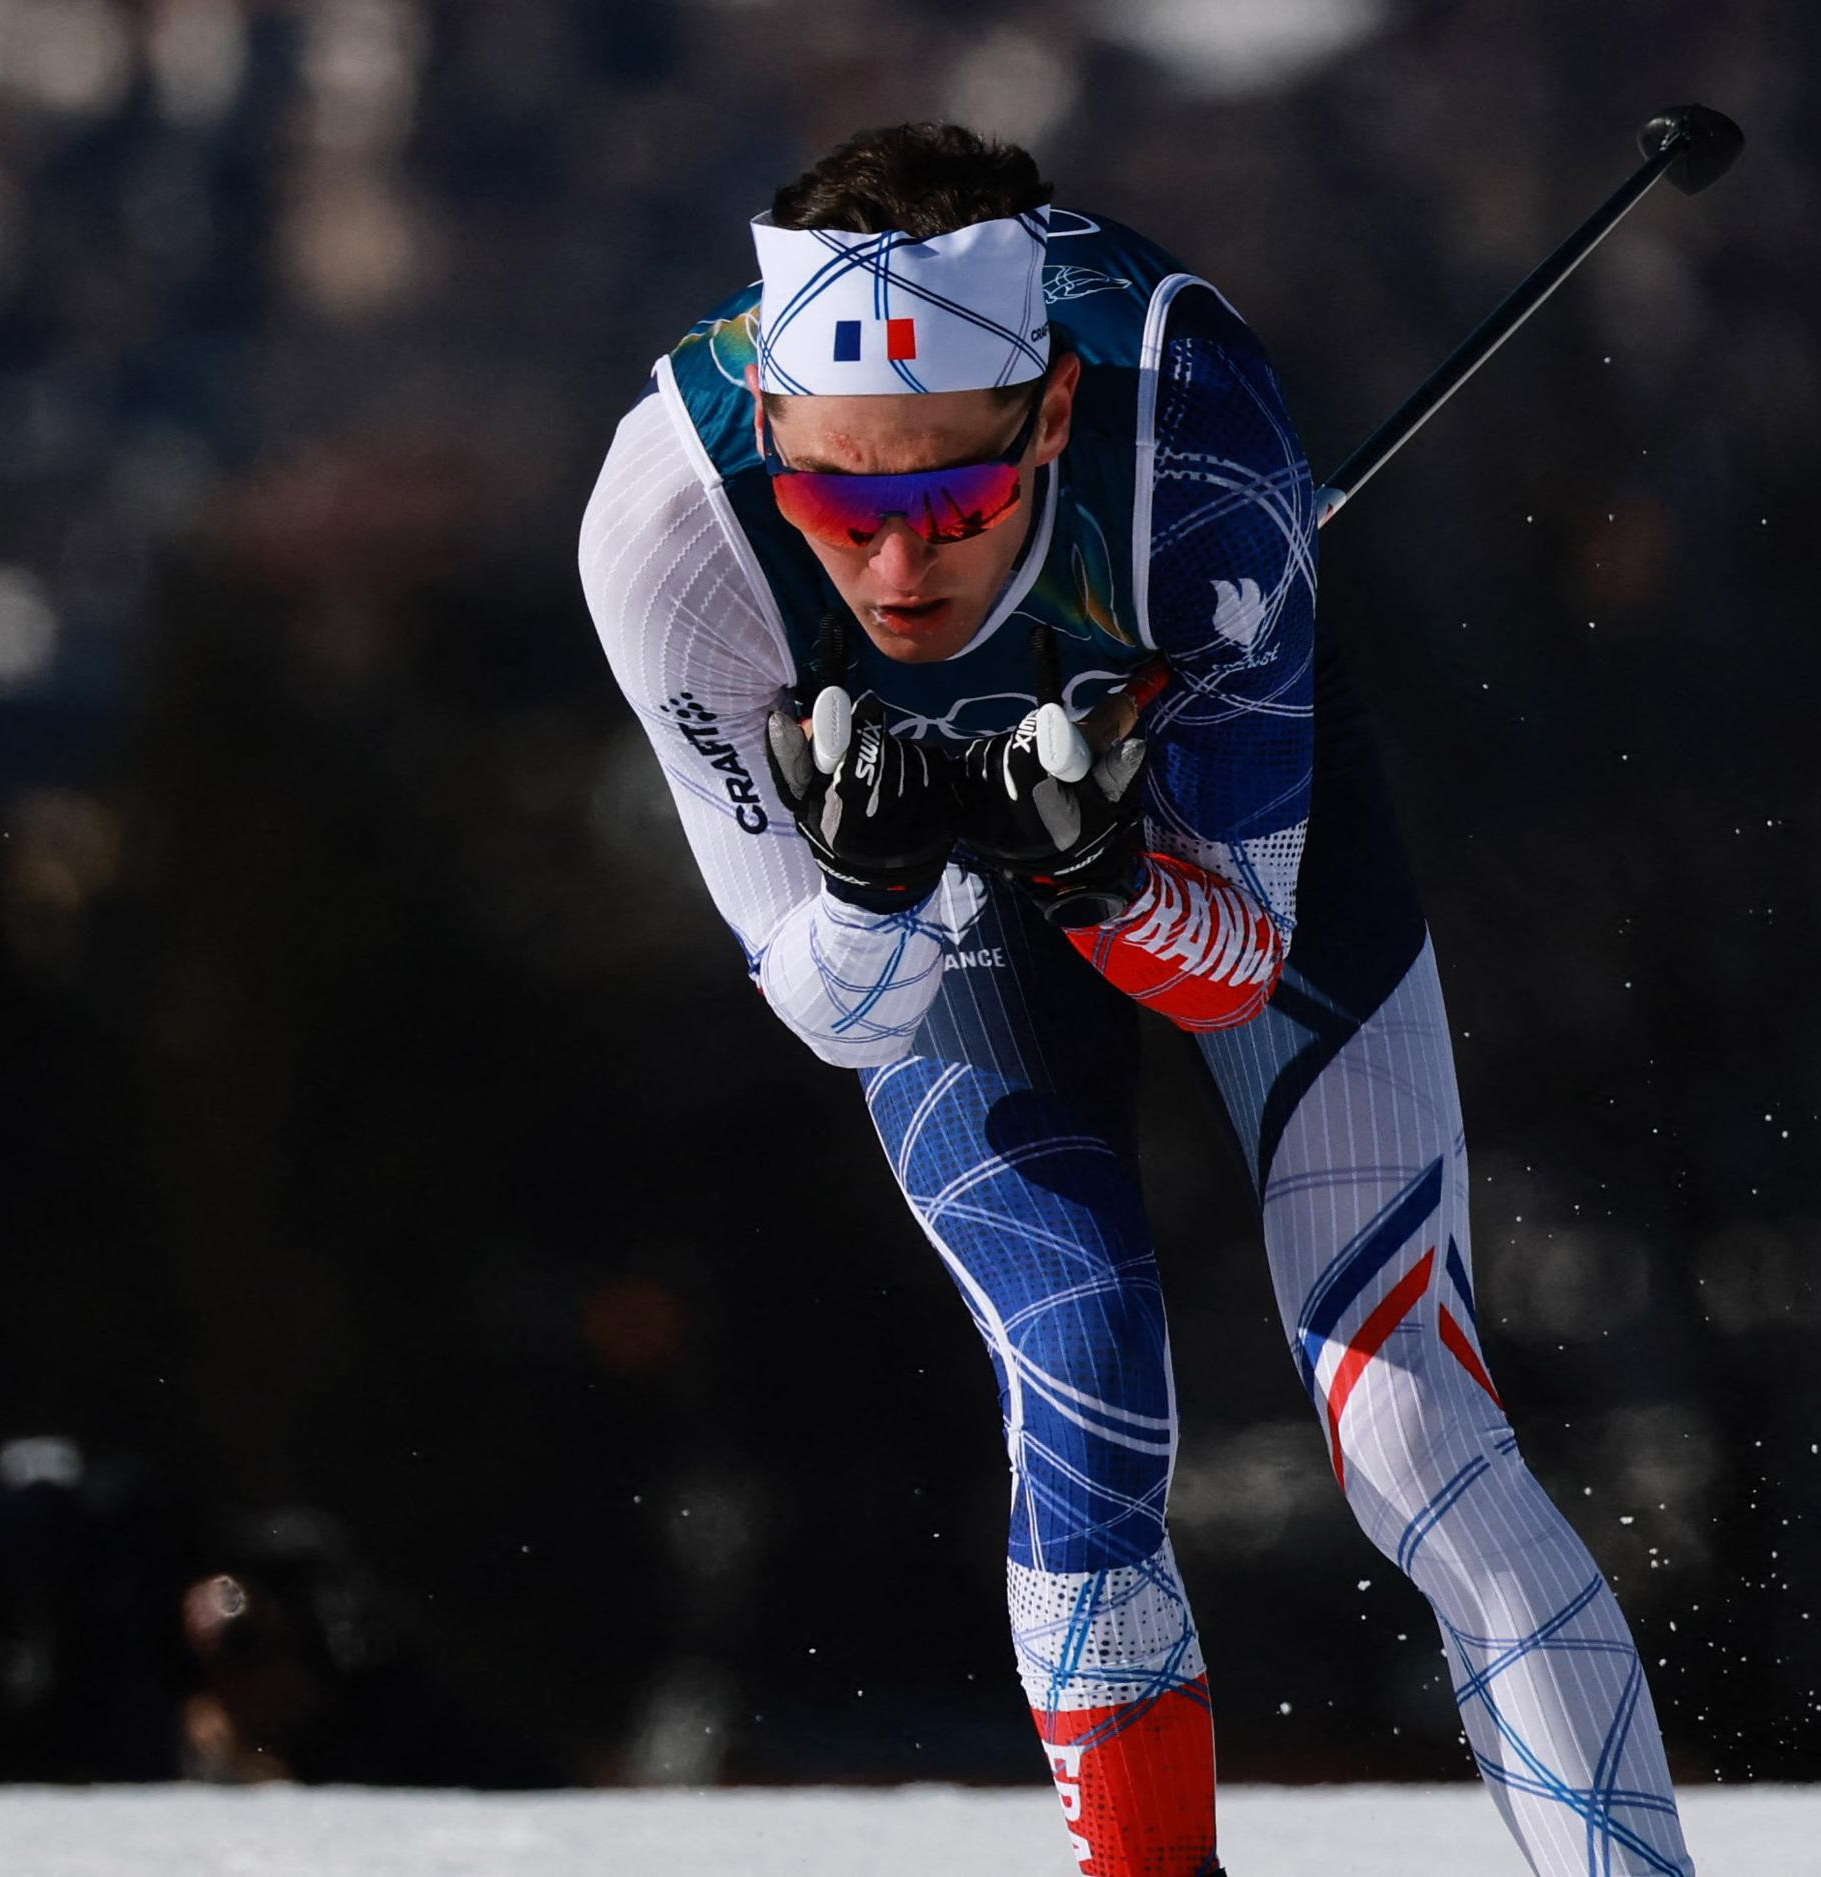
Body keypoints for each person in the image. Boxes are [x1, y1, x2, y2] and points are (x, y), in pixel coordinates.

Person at [578, 121, 1695, 1877]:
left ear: (1049, 418)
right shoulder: (672, 529)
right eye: (838, 504)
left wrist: (1107, 872)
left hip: (1200, 827)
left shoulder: (1197, 449)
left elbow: (1241, 948)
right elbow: (833, 1012)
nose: (893, 571)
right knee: (1086, 1382)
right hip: (950, 900)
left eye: (949, 502)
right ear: (771, 430)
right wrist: (873, 885)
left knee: (1409, 1421)